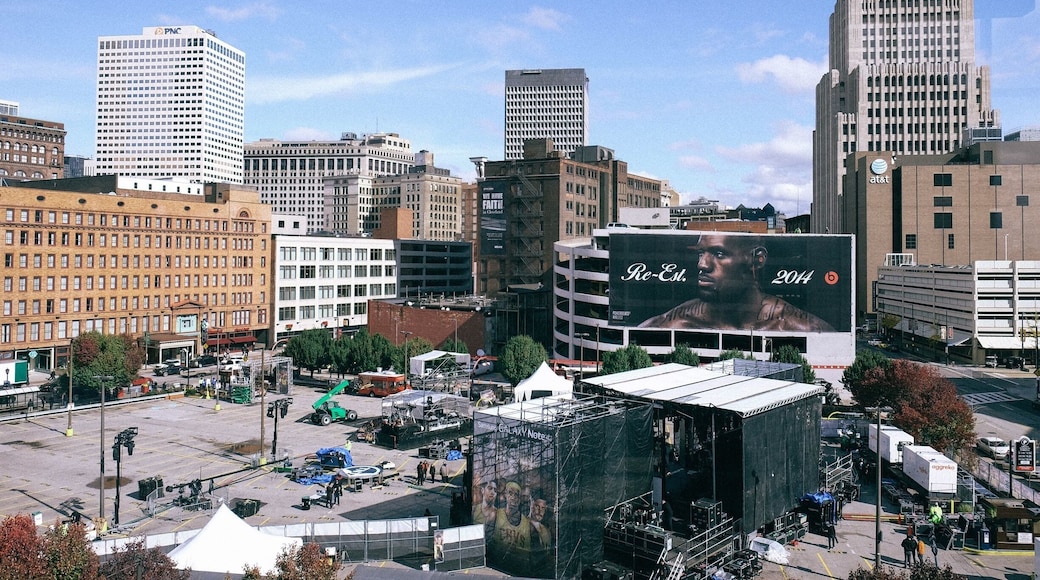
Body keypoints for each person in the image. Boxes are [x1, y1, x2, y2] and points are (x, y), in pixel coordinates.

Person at [639, 234, 835, 332]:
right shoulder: (668, 324)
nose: (702, 264)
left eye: (719, 253)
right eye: (700, 253)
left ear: (757, 259)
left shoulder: (803, 327)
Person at [488, 481, 532, 570]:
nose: (513, 497)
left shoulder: (526, 523)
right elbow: (487, 540)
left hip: (517, 569)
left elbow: (527, 553)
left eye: (517, 495)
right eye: (510, 493)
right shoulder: (496, 514)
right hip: (498, 566)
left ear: (519, 499)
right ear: (505, 495)